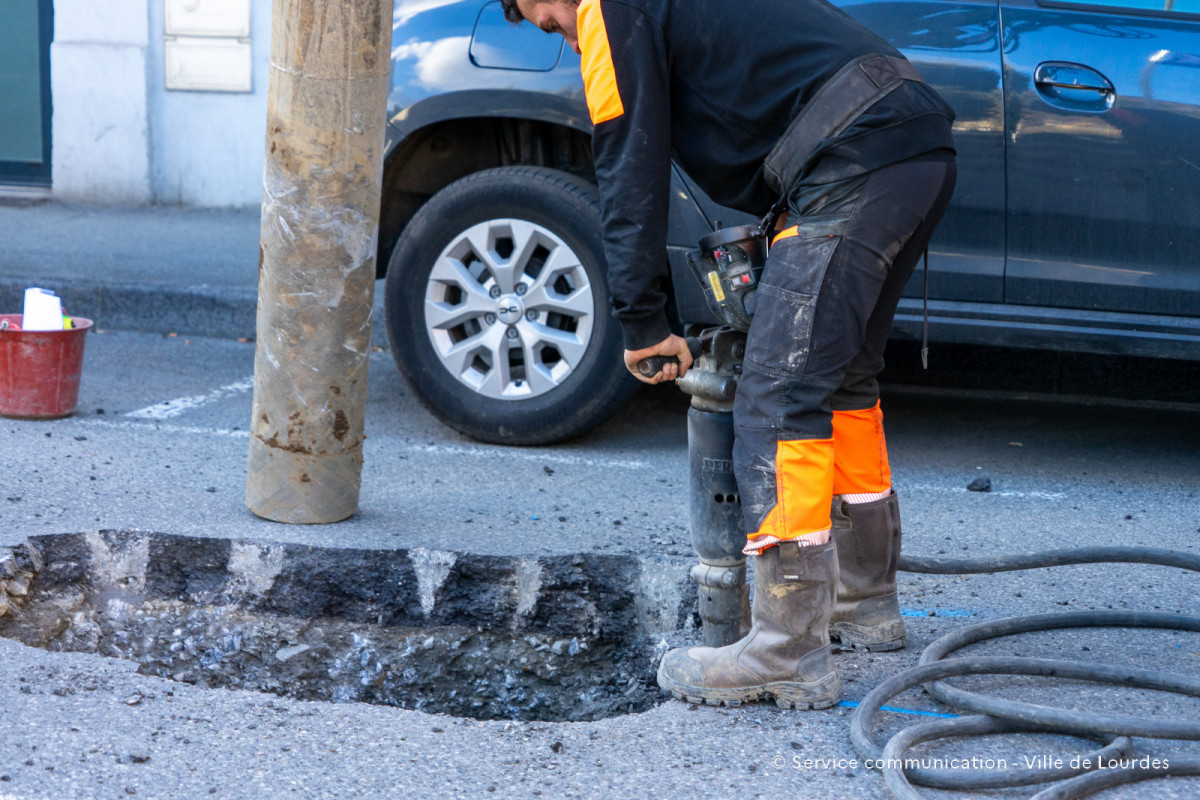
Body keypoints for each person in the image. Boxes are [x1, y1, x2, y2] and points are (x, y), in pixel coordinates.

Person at [502, 0, 957, 709]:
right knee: (841, 381)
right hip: (911, 141)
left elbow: (628, 162)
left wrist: (642, 319)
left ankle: (788, 648)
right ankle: (863, 600)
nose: (562, 35)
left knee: (776, 402)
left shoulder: (605, 8)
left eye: (547, 19)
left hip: (850, 158)